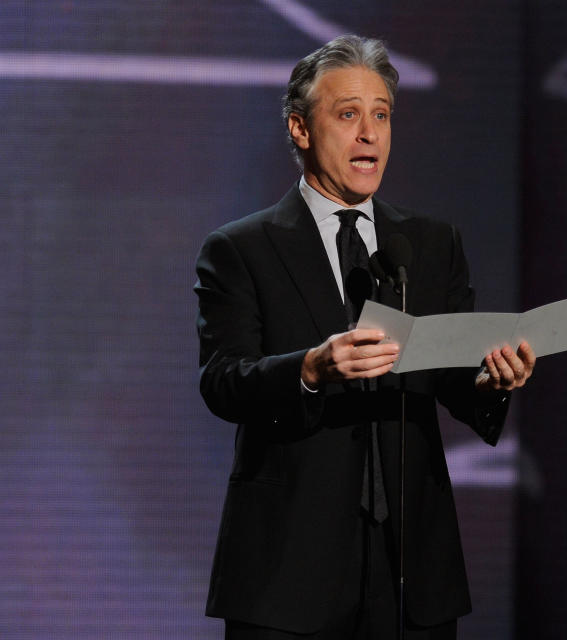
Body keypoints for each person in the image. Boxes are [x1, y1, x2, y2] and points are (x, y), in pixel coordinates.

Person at [194, 35, 536, 640]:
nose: (370, 134)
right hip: (287, 570)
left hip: (412, 572)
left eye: (381, 115)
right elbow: (222, 382)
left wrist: (492, 380)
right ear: (300, 129)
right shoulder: (241, 249)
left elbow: (459, 382)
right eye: (347, 114)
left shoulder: (431, 244)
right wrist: (310, 369)